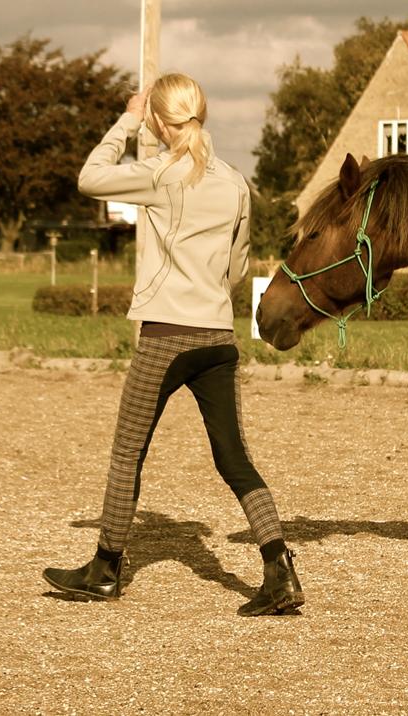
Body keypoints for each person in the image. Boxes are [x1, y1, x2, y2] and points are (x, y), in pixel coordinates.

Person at [42, 73, 303, 617]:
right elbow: (236, 266)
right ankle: (280, 570)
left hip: (164, 337)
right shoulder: (236, 182)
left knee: (126, 453)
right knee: (234, 460)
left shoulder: (157, 174)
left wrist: (127, 121)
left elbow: (89, 178)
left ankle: (105, 569)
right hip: (217, 338)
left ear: (161, 121)